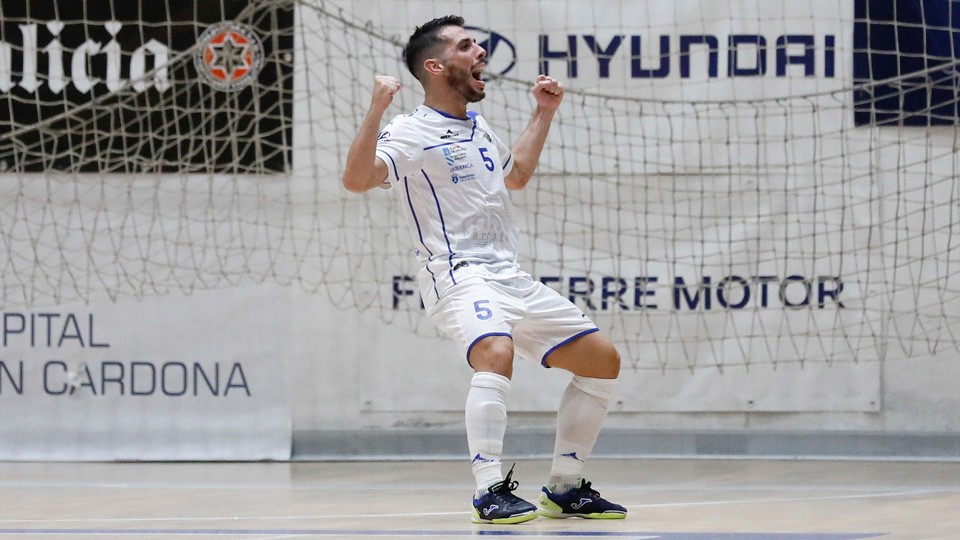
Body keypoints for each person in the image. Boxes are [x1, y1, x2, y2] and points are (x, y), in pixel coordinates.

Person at [342, 15, 626, 525]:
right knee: (496, 350)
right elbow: (357, 179)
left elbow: (514, 176)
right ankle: (489, 490)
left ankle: (564, 487)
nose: (480, 52)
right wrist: (375, 109)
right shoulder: (409, 131)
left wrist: (543, 113)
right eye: (466, 45)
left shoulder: (477, 125)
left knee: (601, 360)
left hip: (508, 275)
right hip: (454, 273)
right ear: (435, 65)